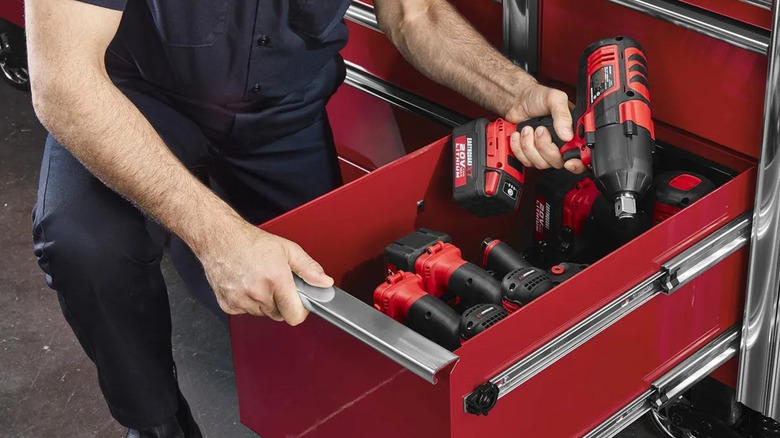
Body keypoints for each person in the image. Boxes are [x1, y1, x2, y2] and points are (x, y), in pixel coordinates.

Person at [26, 0, 585, 436]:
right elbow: (65, 82)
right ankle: (156, 422)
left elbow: (415, 12)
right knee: (85, 244)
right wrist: (218, 237)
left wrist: (517, 92)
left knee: (329, 293)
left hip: (281, 117)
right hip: (137, 100)